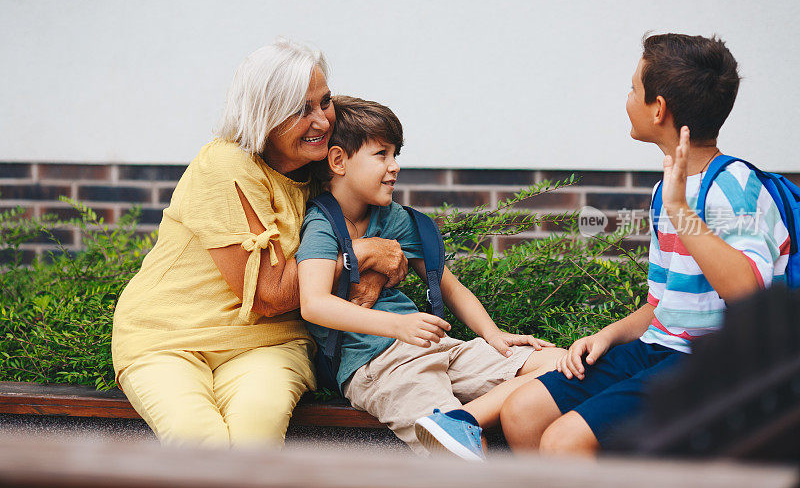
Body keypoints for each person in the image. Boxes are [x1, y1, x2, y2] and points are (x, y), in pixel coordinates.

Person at [499, 33, 790, 455]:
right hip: (658, 348)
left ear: (659, 109)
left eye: (633, 88)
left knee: (564, 442)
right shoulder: (665, 191)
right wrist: (608, 334)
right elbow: (660, 304)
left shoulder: (735, 187)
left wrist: (681, 211)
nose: (627, 96)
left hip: (716, 361)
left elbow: (749, 294)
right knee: (522, 411)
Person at [111, 40, 406, 448]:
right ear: (264, 114)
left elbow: (385, 224)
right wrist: (365, 254)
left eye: (324, 102)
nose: (321, 120)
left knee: (256, 441)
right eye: (301, 110)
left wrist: (372, 272)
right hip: (169, 337)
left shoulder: (324, 166)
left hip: (270, 341)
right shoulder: (227, 165)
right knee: (199, 443)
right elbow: (268, 294)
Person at [296, 96, 566, 460]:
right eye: (381, 154)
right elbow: (314, 304)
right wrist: (397, 326)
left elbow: (449, 286)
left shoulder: (394, 219)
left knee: (559, 365)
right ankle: (457, 426)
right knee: (460, 451)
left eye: (396, 155)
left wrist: (494, 336)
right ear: (339, 160)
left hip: (438, 348)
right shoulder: (321, 225)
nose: (394, 167)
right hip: (383, 368)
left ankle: (460, 417)